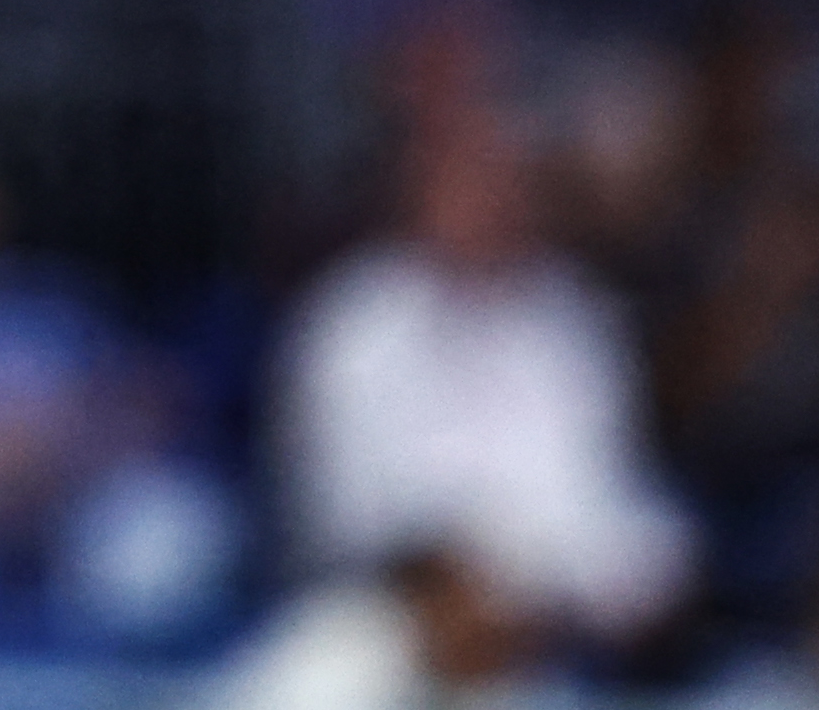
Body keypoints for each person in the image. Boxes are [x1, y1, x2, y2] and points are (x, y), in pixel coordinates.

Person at [270, 101, 690, 660]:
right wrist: (459, 588)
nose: (491, 203)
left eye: (508, 183)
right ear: (417, 194)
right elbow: (342, 515)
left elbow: (607, 490)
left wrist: (604, 585)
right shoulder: (351, 323)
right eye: (469, 184)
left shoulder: (576, 315)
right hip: (396, 618)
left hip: (564, 618)